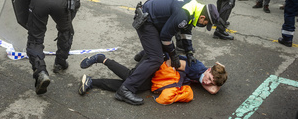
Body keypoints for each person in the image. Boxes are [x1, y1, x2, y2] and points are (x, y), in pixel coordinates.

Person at [112, 0, 221, 105]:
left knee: (159, 51)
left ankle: (143, 54)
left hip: (153, 18)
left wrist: (189, 52)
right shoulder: (184, 14)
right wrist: (173, 55)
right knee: (156, 58)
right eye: (205, 23)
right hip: (146, 20)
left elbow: (186, 31)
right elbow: (165, 37)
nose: (203, 25)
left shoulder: (193, 7)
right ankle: (125, 89)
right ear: (202, 17)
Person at [78, 53, 227, 99]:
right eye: (208, 78)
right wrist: (172, 85)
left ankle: (92, 82)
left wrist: (218, 78)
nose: (207, 83)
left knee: (134, 88)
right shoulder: (195, 67)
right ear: (207, 70)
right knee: (133, 77)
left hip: (160, 70)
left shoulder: (206, 77)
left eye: (210, 82)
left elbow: (213, 90)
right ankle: (101, 59)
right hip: (158, 59)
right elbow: (169, 63)